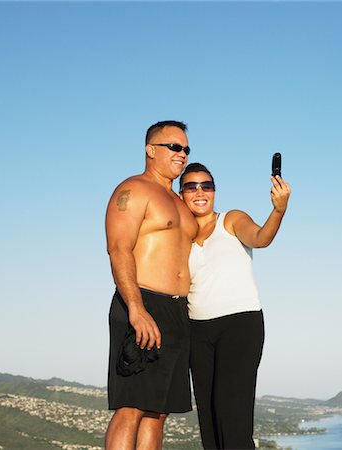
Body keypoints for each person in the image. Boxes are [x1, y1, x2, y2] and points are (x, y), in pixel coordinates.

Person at [179, 162, 291, 450]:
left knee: (232, 413)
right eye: (191, 187)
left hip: (239, 324)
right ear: (181, 194)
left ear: (215, 191)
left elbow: (261, 238)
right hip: (197, 329)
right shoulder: (180, 237)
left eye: (207, 186)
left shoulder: (231, 219)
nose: (200, 192)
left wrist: (278, 209)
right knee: (209, 417)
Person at [105, 121, 197, 450]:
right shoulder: (134, 190)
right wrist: (136, 307)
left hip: (177, 311)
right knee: (131, 405)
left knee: (158, 412)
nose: (182, 154)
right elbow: (118, 248)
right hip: (143, 302)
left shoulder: (180, 203)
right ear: (151, 150)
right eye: (175, 147)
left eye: (186, 149)